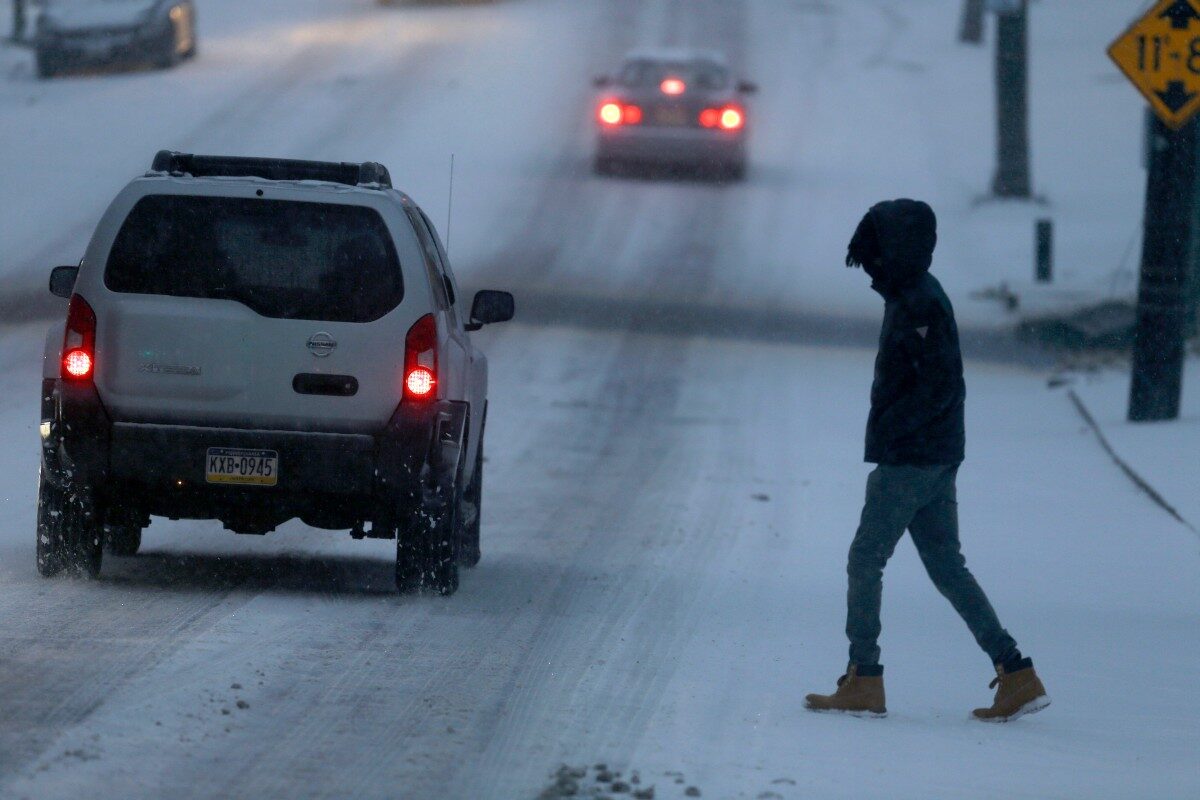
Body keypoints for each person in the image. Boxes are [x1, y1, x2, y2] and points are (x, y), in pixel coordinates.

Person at [804, 199, 1049, 722]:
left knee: (865, 559)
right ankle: (1017, 672)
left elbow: (937, 386)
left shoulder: (917, 305)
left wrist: (900, 443)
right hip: (935, 455)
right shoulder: (916, 296)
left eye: (872, 256)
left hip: (912, 460)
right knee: (947, 568)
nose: (867, 267)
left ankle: (863, 677)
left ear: (892, 253)